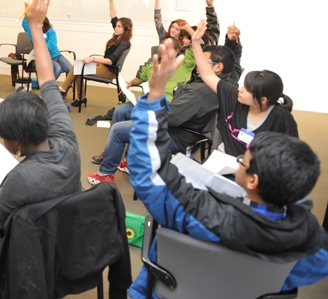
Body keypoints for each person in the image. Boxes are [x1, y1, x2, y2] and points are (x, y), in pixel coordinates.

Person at [126, 41, 328, 298]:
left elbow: (148, 172)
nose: (241, 158)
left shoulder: (193, 213)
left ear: (253, 181)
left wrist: (154, 97)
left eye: (244, 160)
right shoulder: (310, 243)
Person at [0, 0, 82, 279]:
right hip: (68, 233)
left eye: (5, 137)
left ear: (17, 141)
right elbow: (47, 79)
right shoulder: (66, 138)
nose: (3, 142)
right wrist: (35, 26)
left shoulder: (21, 178)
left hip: (34, 241)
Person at [87, 30, 242, 185]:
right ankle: (129, 164)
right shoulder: (227, 84)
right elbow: (235, 65)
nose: (197, 65)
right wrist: (232, 41)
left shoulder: (199, 92)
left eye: (202, 61)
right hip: (185, 128)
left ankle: (104, 175)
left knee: (118, 130)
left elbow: (171, 117)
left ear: (218, 67)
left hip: (174, 134)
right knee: (126, 114)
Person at [192, 20, 298, 156]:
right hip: (225, 163)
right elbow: (207, 74)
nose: (241, 89)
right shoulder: (233, 96)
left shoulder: (281, 118)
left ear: (262, 99)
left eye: (248, 89)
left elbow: (292, 155)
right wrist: (195, 42)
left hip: (256, 170)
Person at [58, 0, 133, 107]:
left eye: (119, 26)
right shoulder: (119, 36)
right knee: (78, 66)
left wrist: (92, 59)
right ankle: (80, 97)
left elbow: (110, 60)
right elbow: (113, 16)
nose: (116, 28)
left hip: (108, 71)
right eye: (116, 26)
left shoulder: (124, 43)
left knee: (78, 67)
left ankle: (64, 88)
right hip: (103, 67)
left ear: (125, 29)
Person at [21, 13, 71, 81]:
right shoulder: (34, 33)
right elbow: (25, 24)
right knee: (58, 69)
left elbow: (52, 44)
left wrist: (41, 49)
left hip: (57, 55)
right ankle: (48, 87)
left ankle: (65, 88)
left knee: (70, 69)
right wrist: (28, 14)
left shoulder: (51, 32)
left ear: (44, 24)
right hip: (46, 58)